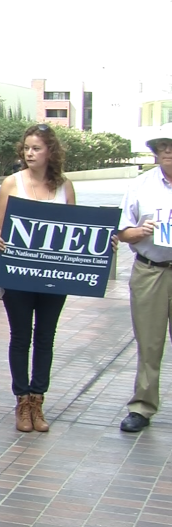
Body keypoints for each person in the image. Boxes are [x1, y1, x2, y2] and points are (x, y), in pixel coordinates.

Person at [0, 124, 76, 433]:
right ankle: (21, 400)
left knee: (45, 336)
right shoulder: (12, 183)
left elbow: (74, 230)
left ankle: (38, 400)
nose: (29, 153)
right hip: (18, 274)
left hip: (54, 275)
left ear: (50, 151)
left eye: (36, 148)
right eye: (26, 147)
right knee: (20, 336)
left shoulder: (65, 186)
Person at [117, 124, 172, 433]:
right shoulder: (140, 185)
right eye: (162, 145)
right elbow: (123, 232)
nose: (167, 150)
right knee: (149, 343)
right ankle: (142, 406)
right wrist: (141, 231)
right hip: (150, 269)